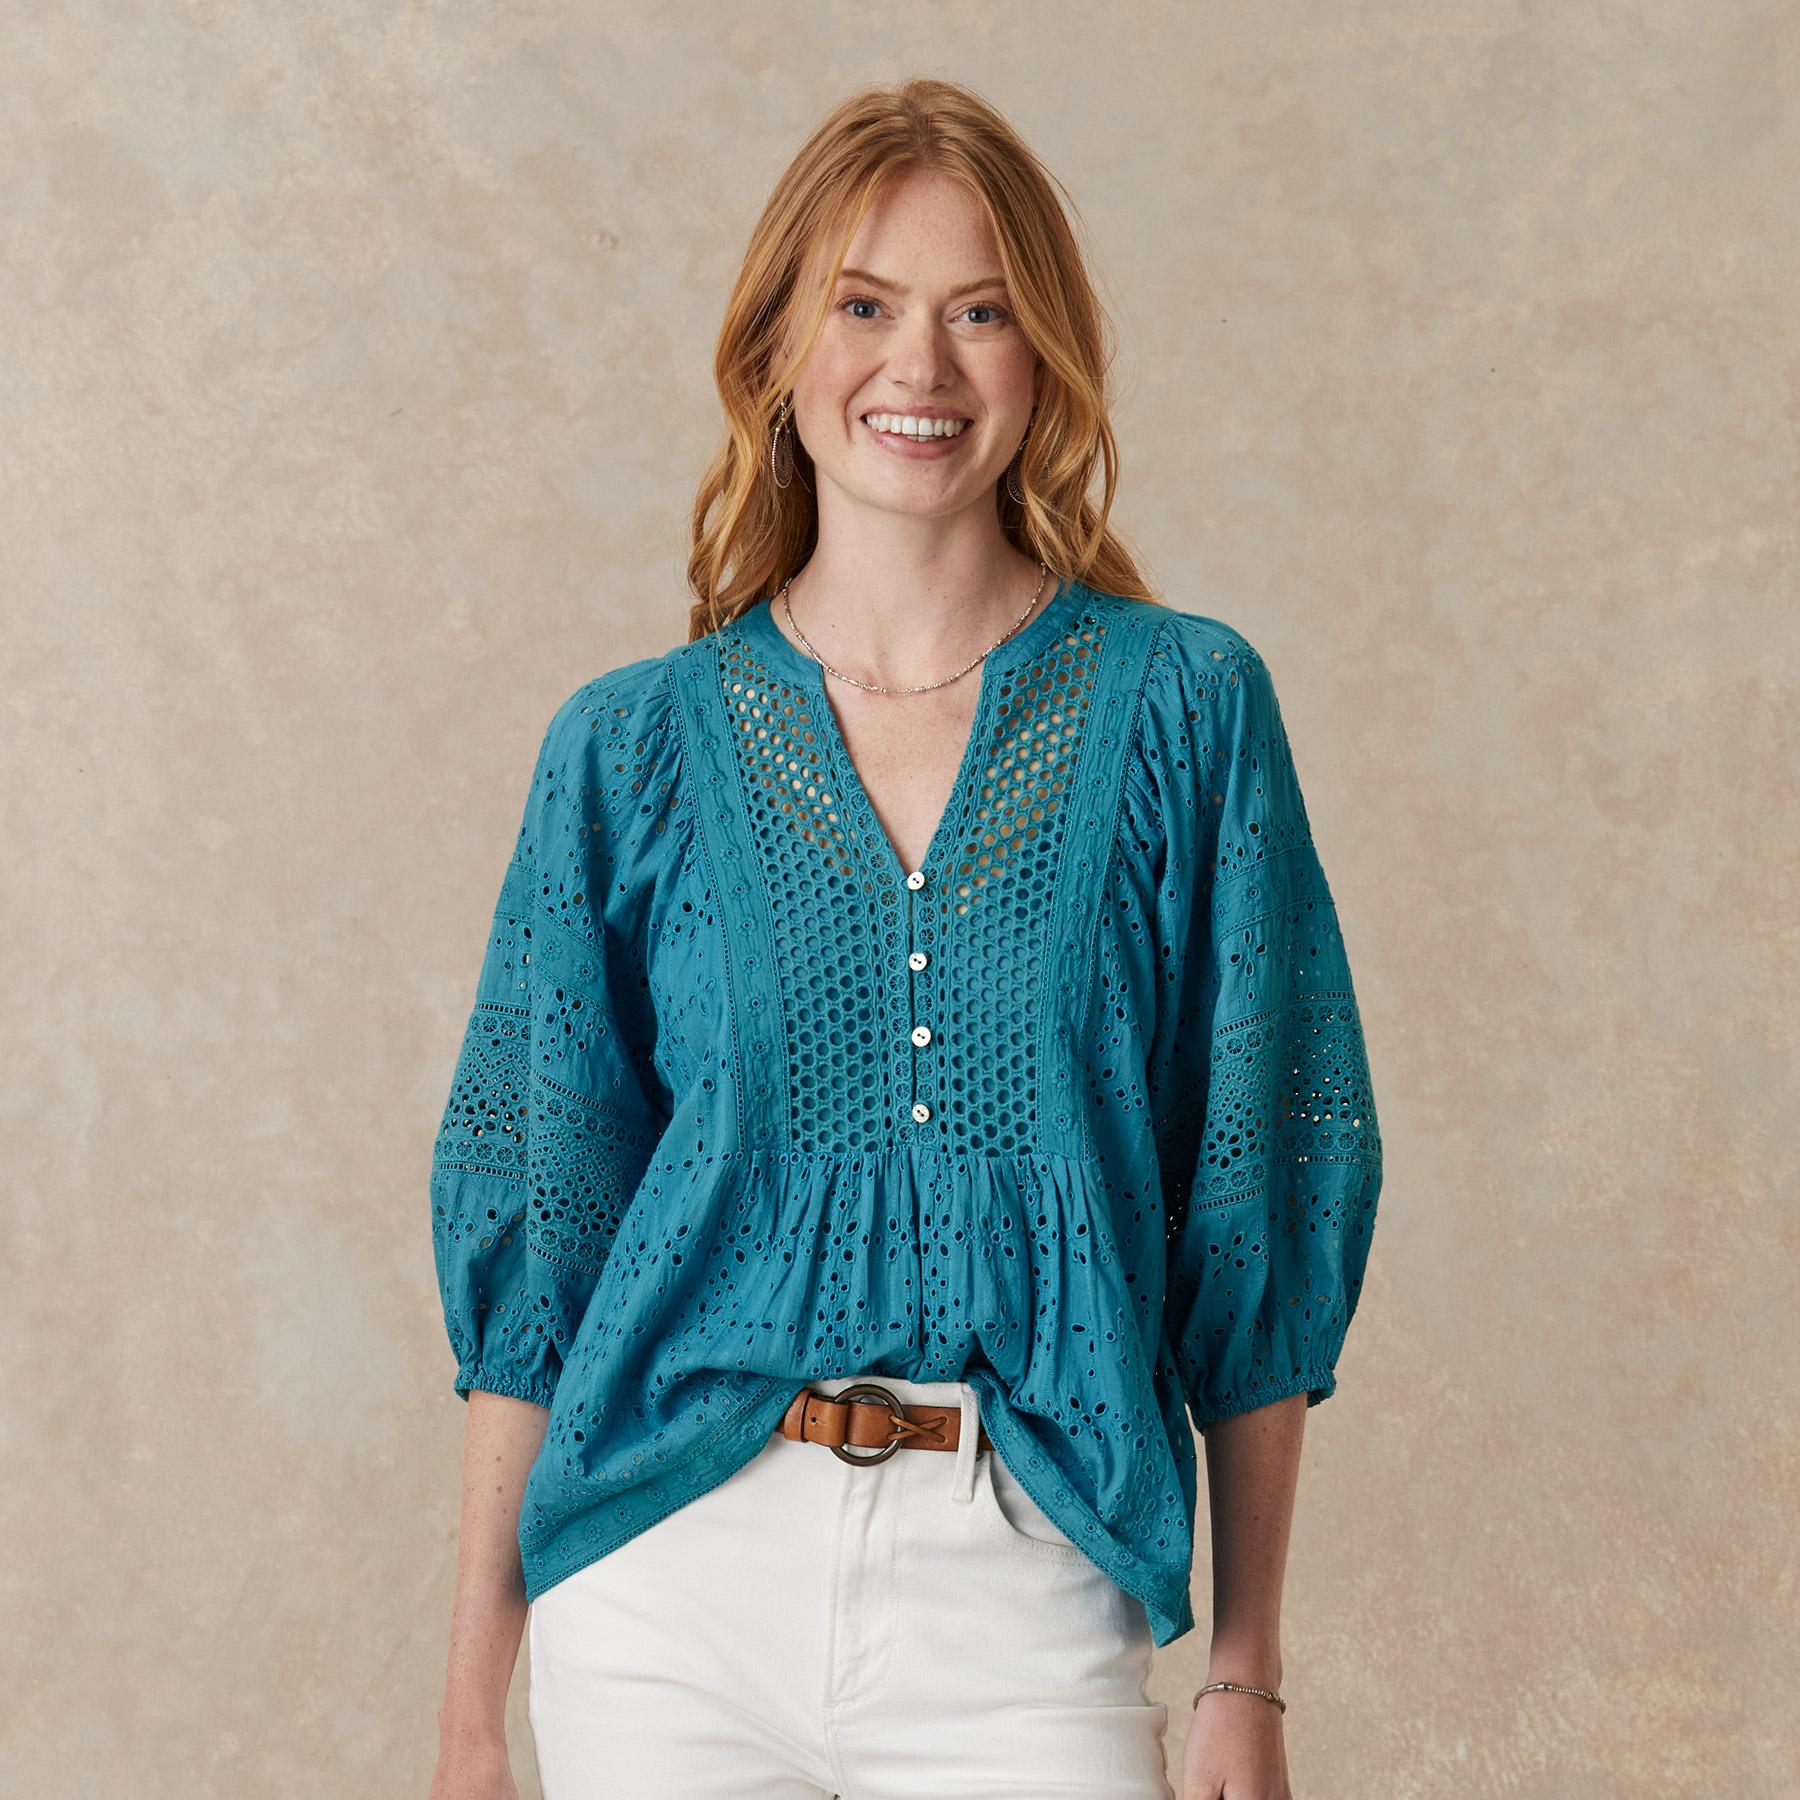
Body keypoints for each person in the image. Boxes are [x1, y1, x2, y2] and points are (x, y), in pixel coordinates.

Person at [427, 77, 1383, 1800]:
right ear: (779, 349)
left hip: (1022, 1577)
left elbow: (1255, 1207)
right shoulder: (627, 748)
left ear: (1046, 356)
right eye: (863, 307)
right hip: (663, 1588)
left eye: (980, 313)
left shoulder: (1187, 709)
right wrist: (470, 1722)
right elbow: (542, 1244)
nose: (918, 367)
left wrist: (1245, 1671)